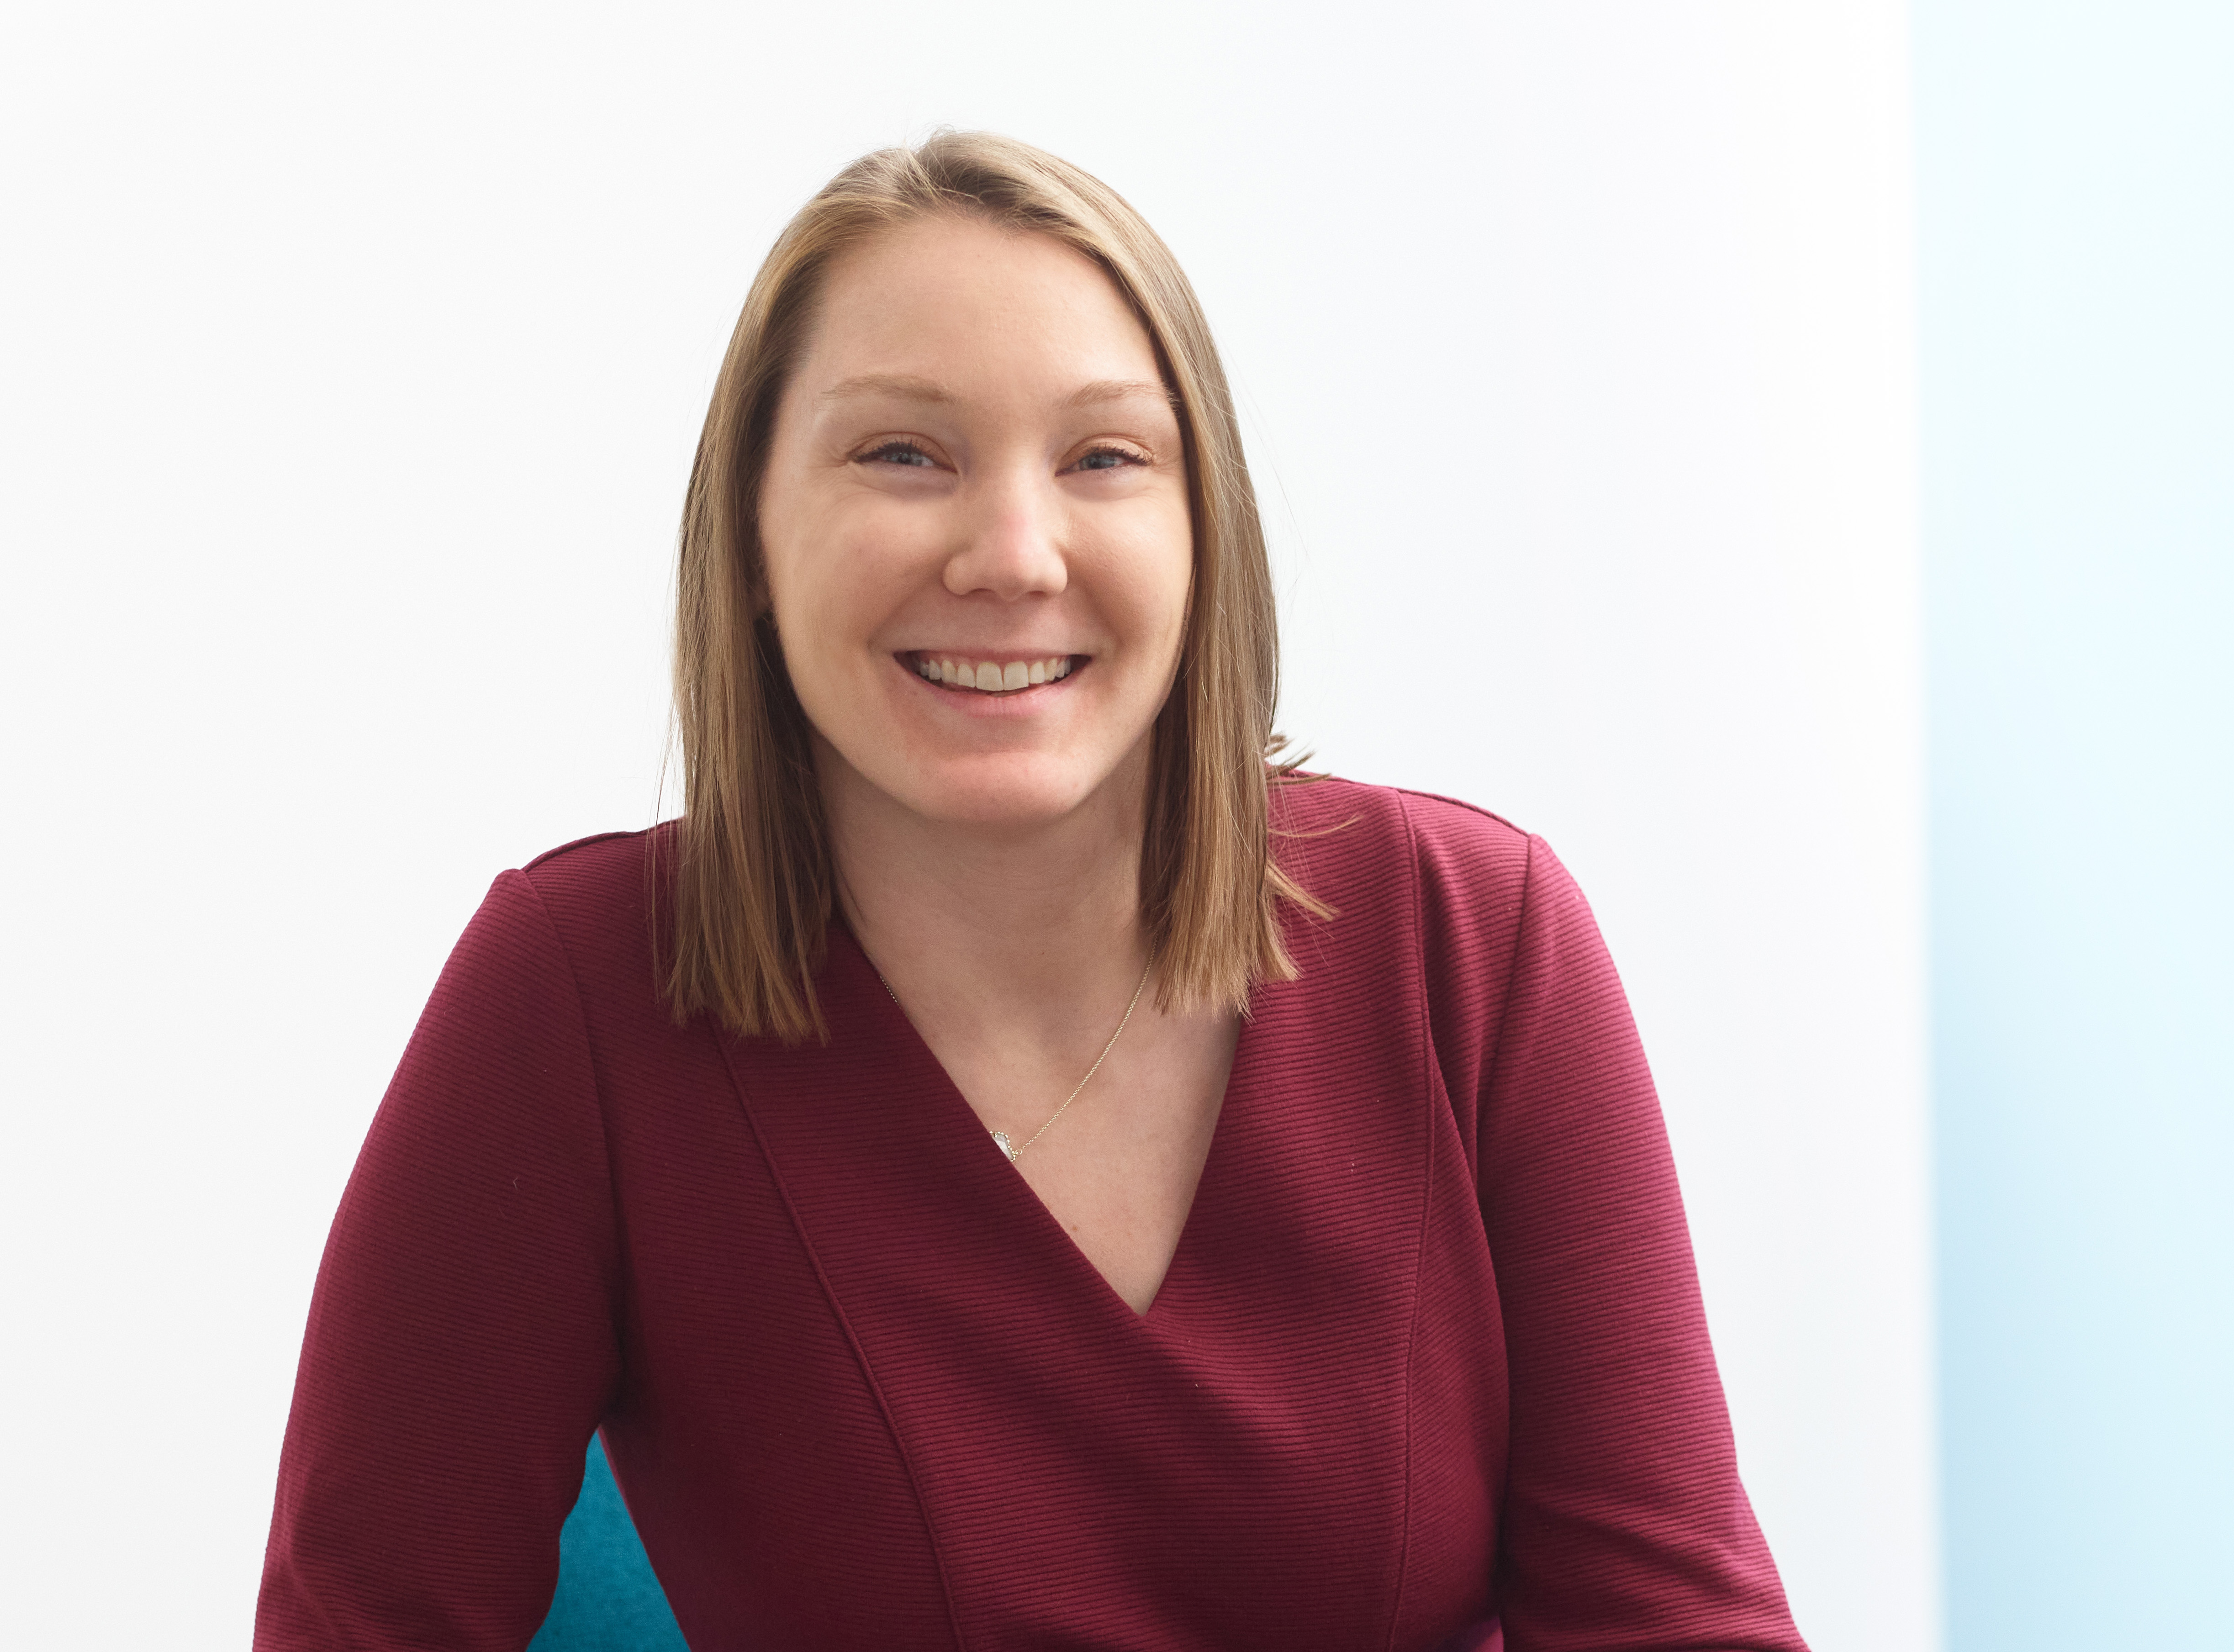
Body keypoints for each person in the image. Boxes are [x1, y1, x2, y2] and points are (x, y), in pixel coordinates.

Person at [254, 132, 1803, 1652]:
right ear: (749, 540)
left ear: (1205, 538)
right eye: (902, 453)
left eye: (1106, 458)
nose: (1013, 553)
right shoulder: (579, 997)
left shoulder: (1477, 938)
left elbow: (1673, 1619)